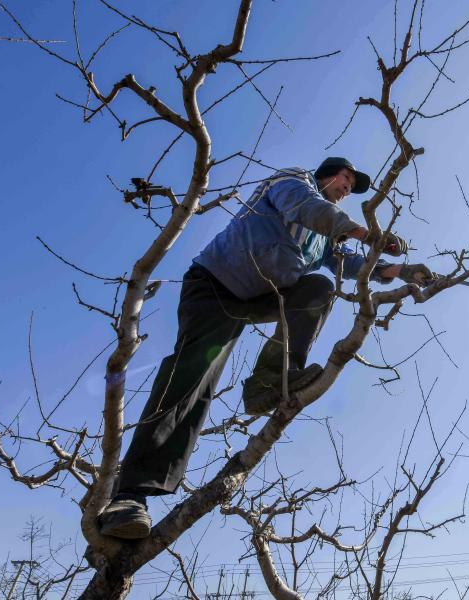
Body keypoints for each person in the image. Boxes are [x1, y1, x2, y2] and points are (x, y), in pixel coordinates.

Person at [98, 157, 433, 540]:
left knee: (319, 289)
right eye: (345, 179)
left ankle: (270, 381)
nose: (346, 189)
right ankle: (129, 497)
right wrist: (364, 232)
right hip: (216, 286)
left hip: (261, 296)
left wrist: (403, 271)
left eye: (352, 187)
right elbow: (308, 209)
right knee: (192, 380)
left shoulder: (325, 234)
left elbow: (351, 263)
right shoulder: (293, 182)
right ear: (327, 174)